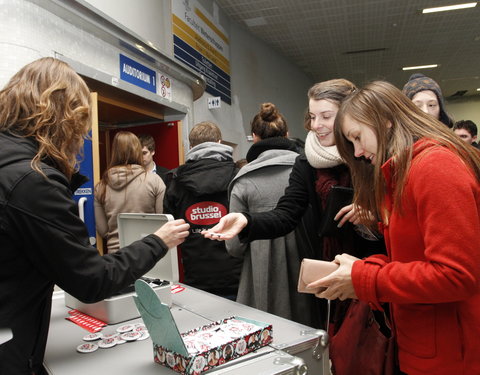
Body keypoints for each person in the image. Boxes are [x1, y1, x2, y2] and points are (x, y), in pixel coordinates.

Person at [0, 57, 190, 375]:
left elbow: (98, 230)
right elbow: (92, 279)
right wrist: (158, 241)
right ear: (64, 120)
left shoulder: (12, 164)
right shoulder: (31, 180)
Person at [309, 80, 480, 375]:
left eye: (358, 137)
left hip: (451, 356)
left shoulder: (435, 167)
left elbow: (456, 275)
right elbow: (413, 261)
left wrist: (364, 277)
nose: (359, 151)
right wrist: (360, 269)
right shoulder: (406, 171)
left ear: (386, 121)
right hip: (427, 346)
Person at [203, 79, 385, 329]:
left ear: (349, 113)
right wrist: (247, 220)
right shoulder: (307, 161)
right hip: (327, 270)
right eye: (312, 116)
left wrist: (374, 215)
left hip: (373, 270)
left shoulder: (370, 155)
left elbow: (401, 218)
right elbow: (286, 214)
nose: (316, 125)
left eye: (326, 116)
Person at [226, 102, 312, 325]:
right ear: (287, 134)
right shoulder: (308, 168)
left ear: (254, 137)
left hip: (259, 277)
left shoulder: (243, 178)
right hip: (308, 274)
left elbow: (234, 246)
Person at [163, 121, 242, 299]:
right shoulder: (238, 175)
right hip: (235, 272)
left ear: (191, 146)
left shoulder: (174, 180)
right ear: (220, 143)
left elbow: (170, 226)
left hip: (195, 271)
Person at [94, 131, 166, 253]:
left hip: (116, 255)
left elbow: (103, 230)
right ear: (136, 151)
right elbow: (162, 222)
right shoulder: (154, 181)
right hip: (148, 252)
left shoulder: (101, 186)